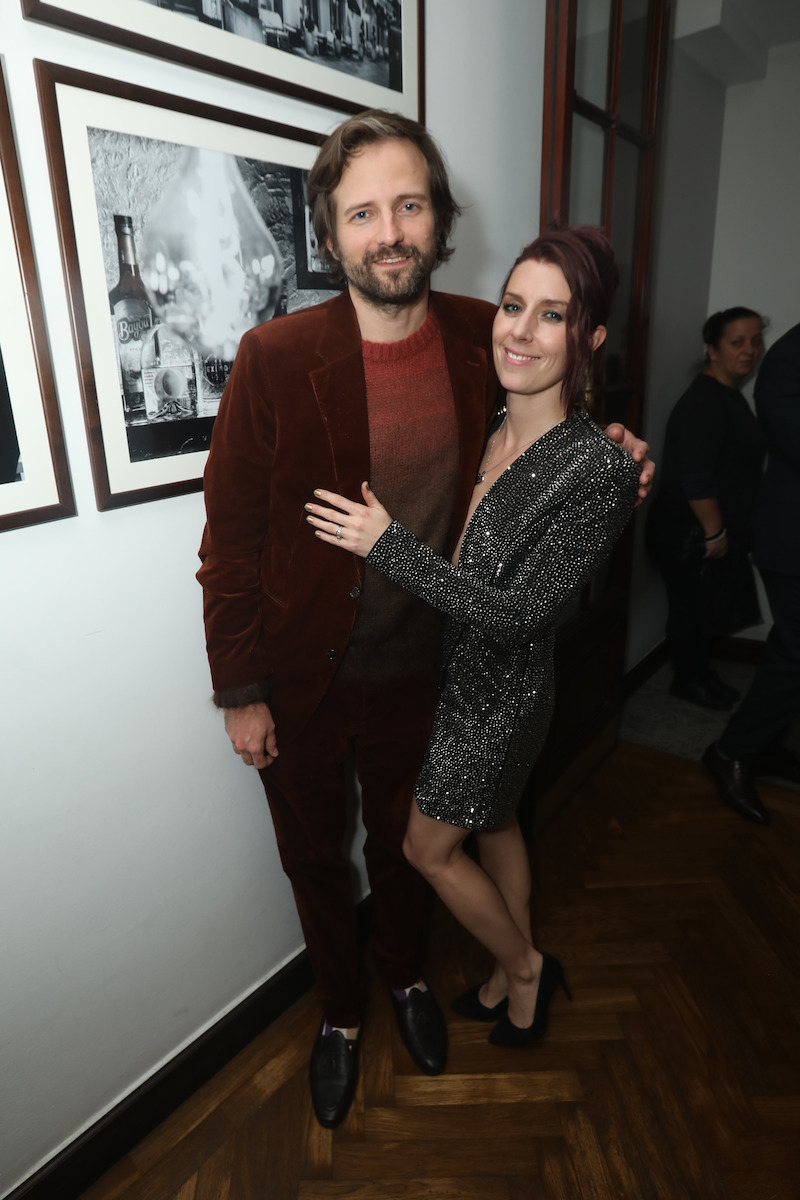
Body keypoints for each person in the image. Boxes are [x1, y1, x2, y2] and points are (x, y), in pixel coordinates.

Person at [197, 110, 654, 1129]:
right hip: (302, 679)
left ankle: (405, 979)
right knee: (316, 860)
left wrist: (614, 448)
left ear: (438, 221)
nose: (388, 229)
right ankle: (339, 1015)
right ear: (330, 234)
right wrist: (239, 692)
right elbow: (227, 541)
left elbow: (551, 414)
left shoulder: (475, 334)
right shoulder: (271, 357)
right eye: (362, 212)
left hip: (429, 673)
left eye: (408, 204)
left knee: (414, 852)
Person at [305, 226, 640, 1047]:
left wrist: (386, 546)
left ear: (589, 337)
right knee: (494, 824)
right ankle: (505, 970)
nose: (520, 331)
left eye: (552, 316)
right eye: (513, 305)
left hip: (501, 694)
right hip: (441, 677)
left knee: (428, 848)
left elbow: (520, 611)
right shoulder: (484, 416)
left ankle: (525, 968)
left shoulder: (596, 466)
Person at [703, 321, 800, 825]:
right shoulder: (788, 360)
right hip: (790, 540)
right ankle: (732, 751)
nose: (748, 350)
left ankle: (760, 746)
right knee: (795, 651)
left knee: (789, 647)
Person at [646, 308, 766, 710]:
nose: (749, 350)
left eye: (755, 341)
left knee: (703, 610)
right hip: (691, 532)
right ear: (713, 350)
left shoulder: (726, 396)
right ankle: (688, 680)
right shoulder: (706, 403)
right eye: (737, 342)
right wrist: (714, 534)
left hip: (703, 531)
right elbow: (696, 477)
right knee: (691, 612)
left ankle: (697, 673)